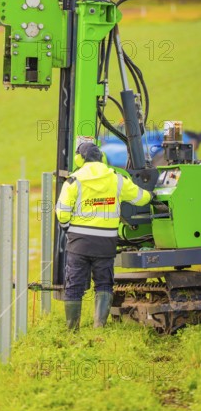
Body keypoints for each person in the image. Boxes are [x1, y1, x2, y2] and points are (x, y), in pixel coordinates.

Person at [56, 142, 153, 331]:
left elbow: (62, 211)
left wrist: (67, 227)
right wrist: (152, 194)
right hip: (105, 243)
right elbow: (140, 198)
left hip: (79, 243)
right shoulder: (116, 179)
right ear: (102, 158)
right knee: (104, 284)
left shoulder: (73, 180)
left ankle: (72, 329)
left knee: (74, 284)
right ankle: (99, 327)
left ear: (80, 159)